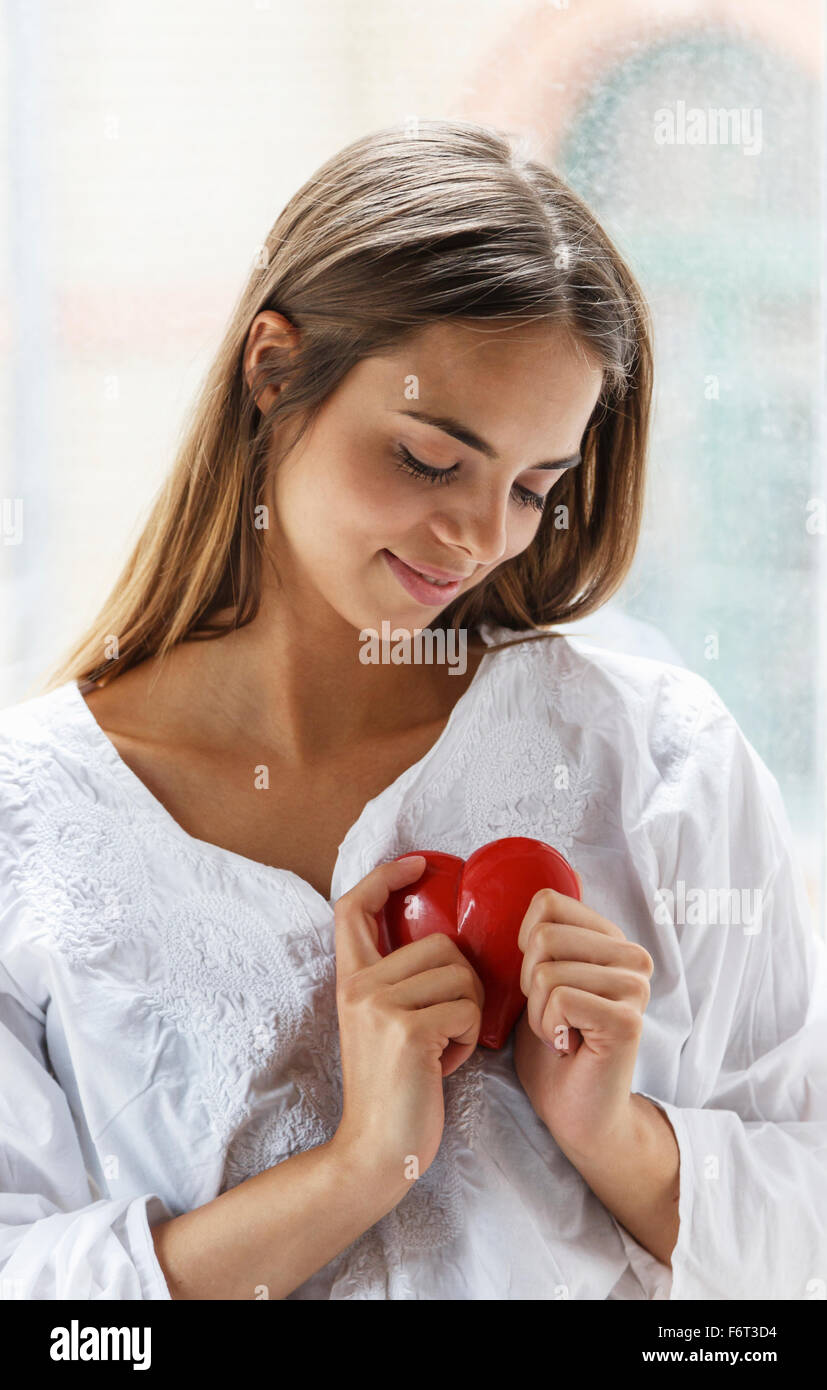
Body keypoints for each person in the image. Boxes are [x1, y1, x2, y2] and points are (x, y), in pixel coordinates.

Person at [1, 119, 825, 1302]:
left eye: (534, 487)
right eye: (432, 460)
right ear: (272, 369)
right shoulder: (25, 829)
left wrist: (613, 1133)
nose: (480, 536)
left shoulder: (656, 758)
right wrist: (352, 1172)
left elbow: (803, 1255)